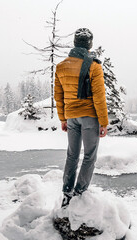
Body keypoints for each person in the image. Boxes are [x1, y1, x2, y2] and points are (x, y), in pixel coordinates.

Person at [54, 28, 108, 208]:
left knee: (72, 155)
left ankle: (67, 193)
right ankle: (80, 193)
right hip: (89, 117)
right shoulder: (94, 66)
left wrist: (63, 118)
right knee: (89, 156)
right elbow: (99, 97)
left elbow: (58, 97)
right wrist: (104, 122)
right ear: (89, 44)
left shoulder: (61, 67)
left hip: (71, 118)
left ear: (75, 43)